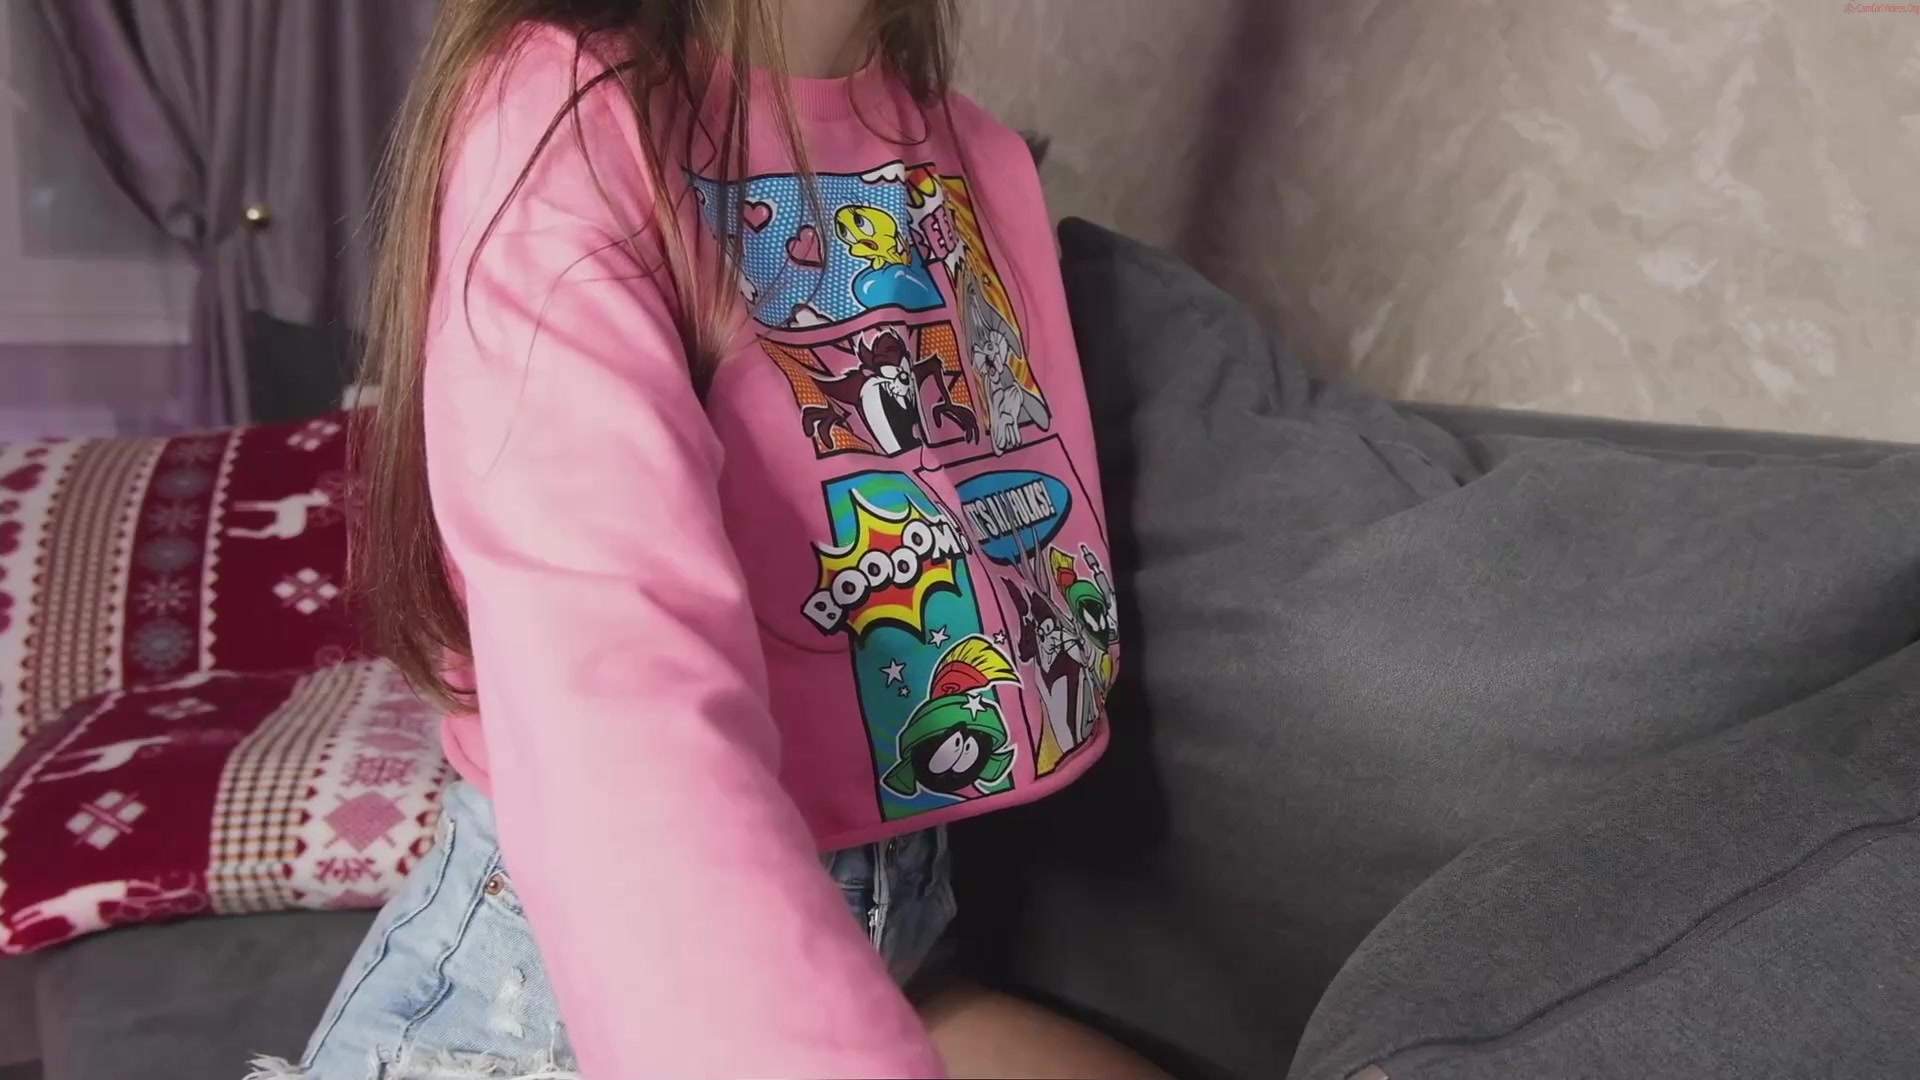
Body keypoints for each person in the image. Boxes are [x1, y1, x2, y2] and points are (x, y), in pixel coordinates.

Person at [248, 2, 1161, 1077]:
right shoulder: (565, 112)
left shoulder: (955, 149)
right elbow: (615, 696)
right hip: (557, 1011)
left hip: (893, 943)